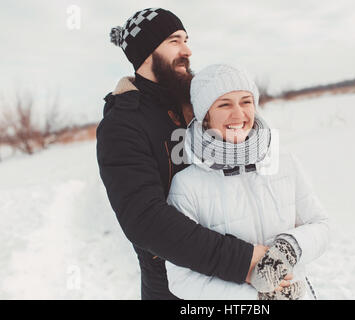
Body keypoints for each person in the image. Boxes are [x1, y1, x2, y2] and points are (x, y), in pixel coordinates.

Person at [96, 8, 268, 300]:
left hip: (245, 275)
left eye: (186, 40)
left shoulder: (198, 102)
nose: (187, 50)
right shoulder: (122, 126)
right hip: (175, 286)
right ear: (147, 51)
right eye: (175, 41)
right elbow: (146, 220)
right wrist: (242, 260)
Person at [164, 64, 330, 300]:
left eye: (246, 101)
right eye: (224, 104)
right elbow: (181, 280)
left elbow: (321, 225)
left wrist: (290, 248)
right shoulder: (186, 186)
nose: (239, 114)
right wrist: (257, 299)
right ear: (205, 116)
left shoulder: (285, 164)